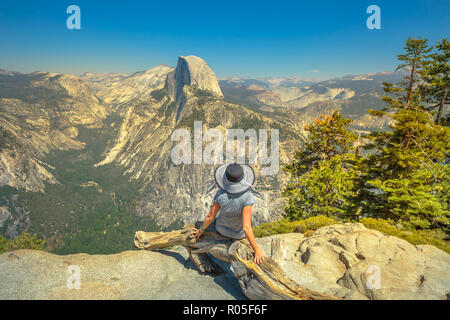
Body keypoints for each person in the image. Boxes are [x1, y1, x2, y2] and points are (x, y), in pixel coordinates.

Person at [192, 163, 266, 265]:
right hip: (238, 234)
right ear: (242, 179)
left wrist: (201, 229)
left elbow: (210, 216)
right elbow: (246, 227)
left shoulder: (220, 195)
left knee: (197, 223)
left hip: (221, 230)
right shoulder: (247, 197)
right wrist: (257, 250)